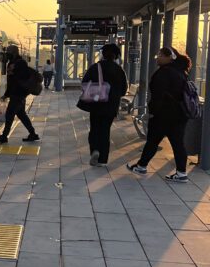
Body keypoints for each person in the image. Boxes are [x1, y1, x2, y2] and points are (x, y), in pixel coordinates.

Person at [128, 47, 192, 182]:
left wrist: (152, 112)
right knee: (178, 144)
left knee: (152, 141)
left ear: (170, 57)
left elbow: (158, 96)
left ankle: (141, 166)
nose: (157, 57)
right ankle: (181, 173)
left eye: (160, 55)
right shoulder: (181, 72)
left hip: (164, 115)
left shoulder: (164, 73)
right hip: (179, 115)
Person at [80, 43, 128, 166]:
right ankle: (102, 160)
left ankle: (94, 150)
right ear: (116, 56)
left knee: (94, 128)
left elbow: (84, 82)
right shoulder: (119, 70)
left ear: (103, 54)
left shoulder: (95, 67)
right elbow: (124, 90)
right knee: (105, 130)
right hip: (111, 106)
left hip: (96, 103)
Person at [0, 44, 39, 143]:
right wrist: (7, 94)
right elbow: (11, 81)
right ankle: (33, 134)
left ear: (13, 53)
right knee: (22, 115)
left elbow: (20, 80)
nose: (6, 55)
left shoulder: (20, 63)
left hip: (18, 95)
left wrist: (19, 93)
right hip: (16, 94)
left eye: (8, 53)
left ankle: (4, 136)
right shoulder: (11, 63)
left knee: (9, 115)